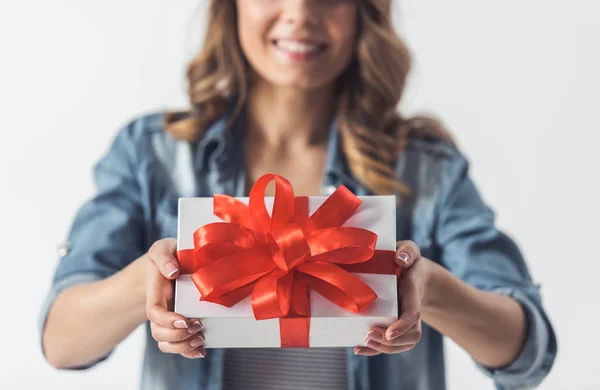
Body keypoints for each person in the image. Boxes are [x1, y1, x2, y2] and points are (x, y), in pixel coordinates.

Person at [39, 1, 557, 389]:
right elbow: (60, 342)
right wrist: (150, 284)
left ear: (362, 12)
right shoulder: (152, 152)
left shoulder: (425, 167)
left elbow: (529, 350)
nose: (300, 13)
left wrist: (429, 290)